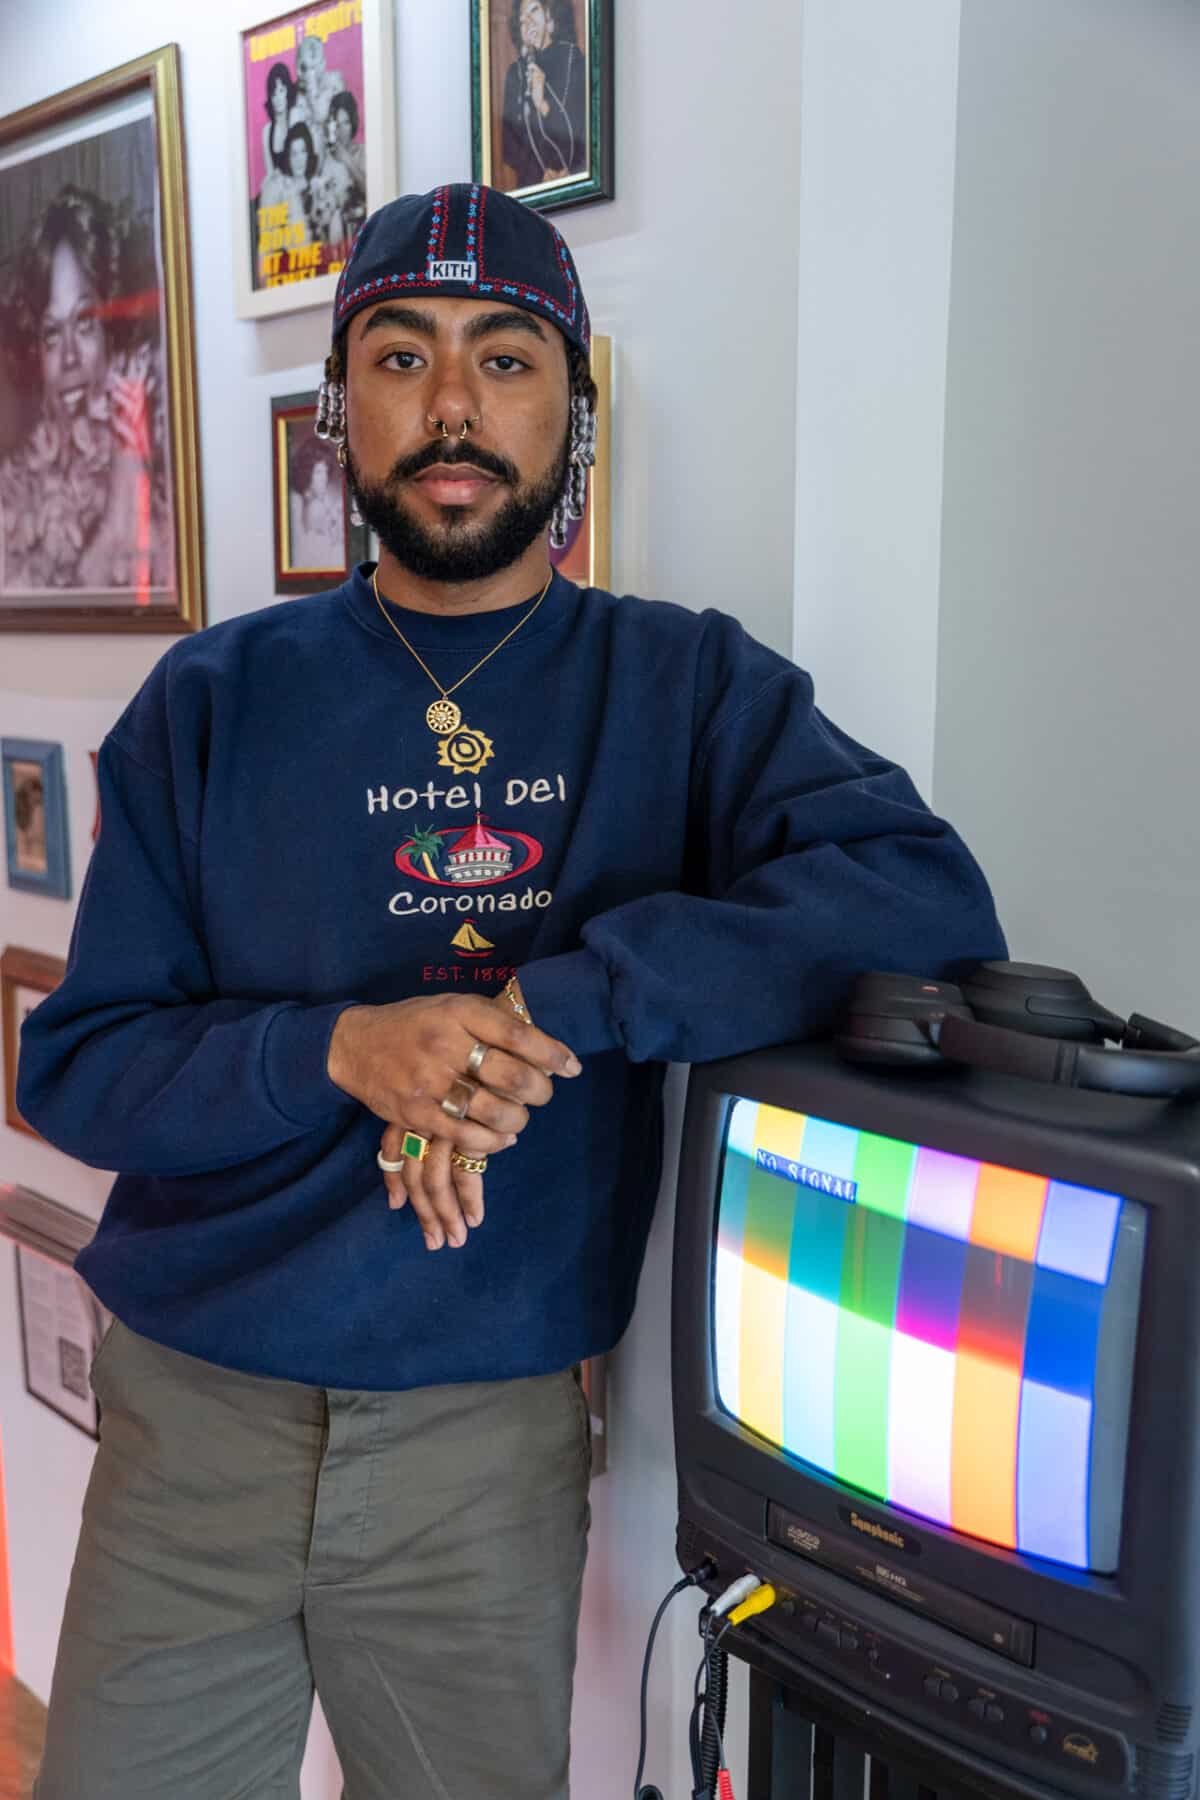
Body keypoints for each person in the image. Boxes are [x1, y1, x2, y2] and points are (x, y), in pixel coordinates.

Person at [18, 183, 1006, 1800]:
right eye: (402, 358)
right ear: (346, 411)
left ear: (577, 411)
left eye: (509, 358)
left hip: (483, 1445)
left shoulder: (682, 687)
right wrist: (347, 1050)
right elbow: (81, 1071)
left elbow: (920, 895)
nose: (456, 404)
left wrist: (561, 1008)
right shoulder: (215, 701)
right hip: (195, 1419)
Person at [0, 184, 171, 593]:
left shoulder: (164, 454)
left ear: (112, 331)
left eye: (84, 322)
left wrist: (128, 452)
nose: (70, 357)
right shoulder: (11, 492)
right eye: (52, 334)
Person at [501, 0, 587, 189]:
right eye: (522, 20)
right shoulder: (515, 73)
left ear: (549, 15)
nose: (529, 21)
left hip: (574, 178)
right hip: (533, 185)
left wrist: (543, 104)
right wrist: (542, 173)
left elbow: (581, 128)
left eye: (534, 10)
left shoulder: (573, 58)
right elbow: (509, 146)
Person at [288, 429, 344, 568]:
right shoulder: (306, 505)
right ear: (307, 472)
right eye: (318, 472)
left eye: (325, 471)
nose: (324, 478)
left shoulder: (319, 501)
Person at [261, 60, 298, 178]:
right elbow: (270, 174)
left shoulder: (296, 116)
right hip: (280, 191)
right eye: (273, 94)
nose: (278, 98)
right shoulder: (267, 132)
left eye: (281, 90)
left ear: (288, 91)